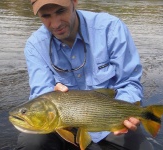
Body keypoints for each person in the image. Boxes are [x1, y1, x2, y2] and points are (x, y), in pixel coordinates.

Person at [15, 0, 154, 149]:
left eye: (61, 11)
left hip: (108, 120)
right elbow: (40, 92)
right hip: (62, 125)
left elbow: (129, 82)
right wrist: (50, 95)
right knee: (30, 143)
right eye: (46, 16)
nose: (55, 24)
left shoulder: (111, 28)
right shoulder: (35, 45)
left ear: (74, 2)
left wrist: (125, 114)